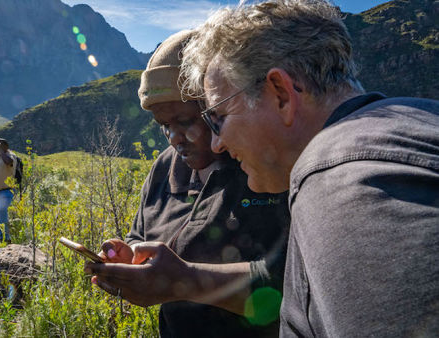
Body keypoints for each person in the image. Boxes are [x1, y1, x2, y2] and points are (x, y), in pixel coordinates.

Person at [180, 1, 439, 337]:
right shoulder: (417, 118)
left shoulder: (341, 183)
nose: (217, 144)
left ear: (281, 94)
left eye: (219, 118)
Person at [85, 30, 291, 338]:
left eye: (184, 121)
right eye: (164, 126)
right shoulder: (165, 168)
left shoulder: (264, 167)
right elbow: (139, 236)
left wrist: (185, 280)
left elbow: (294, 286)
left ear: (216, 105)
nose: (174, 138)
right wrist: (126, 258)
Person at [0, 138, 17, 244]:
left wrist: (0, 150)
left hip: (6, 191)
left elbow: (8, 162)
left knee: (2, 211)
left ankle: (6, 238)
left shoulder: (10, 156)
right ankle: (2, 237)